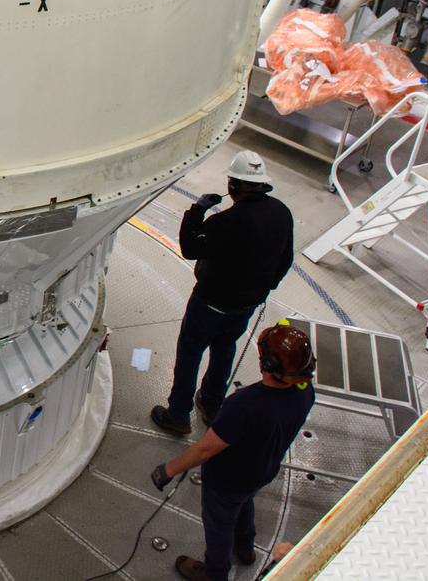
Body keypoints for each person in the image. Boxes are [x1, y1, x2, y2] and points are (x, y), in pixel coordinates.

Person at [150, 321, 316, 581]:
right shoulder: (305, 393)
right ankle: (245, 547)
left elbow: (206, 449)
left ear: (267, 365)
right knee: (244, 502)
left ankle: (215, 573)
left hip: (227, 480)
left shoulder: (244, 406)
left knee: (219, 525)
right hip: (263, 471)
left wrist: (169, 470)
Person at [151, 150, 294, 435]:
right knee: (225, 349)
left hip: (210, 304)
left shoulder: (225, 223)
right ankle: (211, 403)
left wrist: (196, 211)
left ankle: (178, 414)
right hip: (246, 305)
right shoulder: (281, 213)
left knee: (191, 352)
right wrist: (265, 287)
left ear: (234, 185)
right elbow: (286, 258)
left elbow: (190, 248)